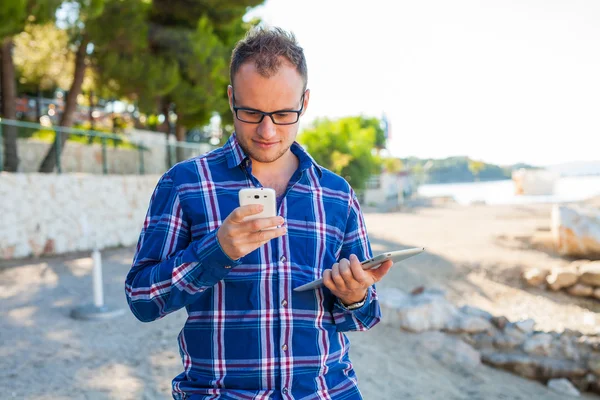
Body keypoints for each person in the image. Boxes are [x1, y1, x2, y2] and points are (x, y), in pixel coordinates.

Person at [125, 26, 393, 400]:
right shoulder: (184, 184)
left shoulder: (337, 194)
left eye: (283, 113)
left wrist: (354, 296)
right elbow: (141, 300)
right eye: (251, 112)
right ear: (231, 97)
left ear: (305, 101)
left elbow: (364, 317)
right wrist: (215, 251)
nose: (267, 130)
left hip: (328, 392)